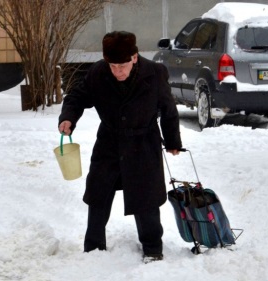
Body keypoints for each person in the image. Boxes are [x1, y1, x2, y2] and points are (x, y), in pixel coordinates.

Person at [58, 31, 182, 263]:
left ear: (134, 58)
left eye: (121, 66)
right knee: (98, 195)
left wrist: (173, 140)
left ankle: (153, 248)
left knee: (146, 200)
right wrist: (68, 118)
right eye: (112, 66)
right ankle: (93, 248)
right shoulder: (98, 73)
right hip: (109, 142)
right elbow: (76, 97)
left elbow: (168, 109)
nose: (117, 71)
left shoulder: (154, 74)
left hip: (143, 143)